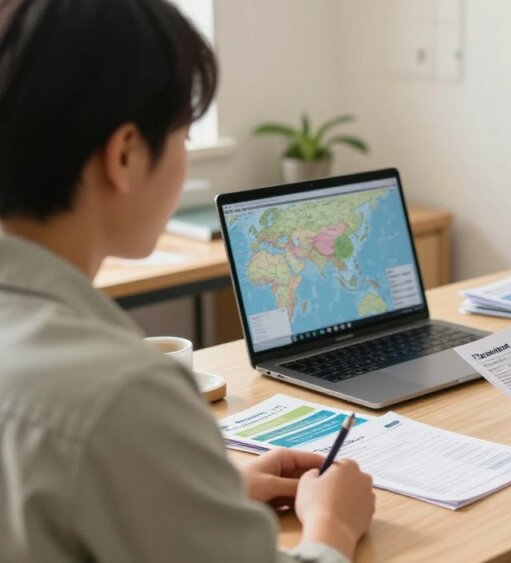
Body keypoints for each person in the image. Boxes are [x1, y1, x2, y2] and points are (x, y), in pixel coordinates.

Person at [0, 1, 375, 562]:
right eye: (184, 136)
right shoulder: (122, 394)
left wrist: (193, 494)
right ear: (124, 154)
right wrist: (332, 527)